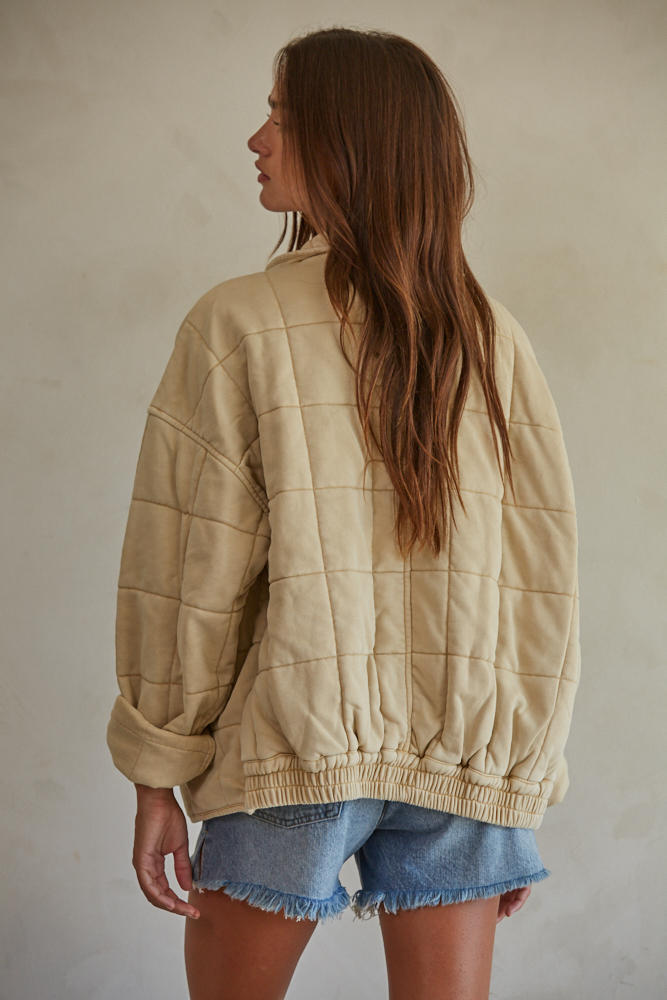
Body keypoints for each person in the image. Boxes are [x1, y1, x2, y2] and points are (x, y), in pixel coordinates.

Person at [106, 26, 581, 1000]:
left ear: (347, 137)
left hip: (292, 752)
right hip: (461, 761)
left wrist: (158, 765)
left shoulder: (237, 324)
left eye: (280, 117)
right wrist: (513, 785)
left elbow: (189, 571)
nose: (256, 139)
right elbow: (540, 582)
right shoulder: (490, 336)